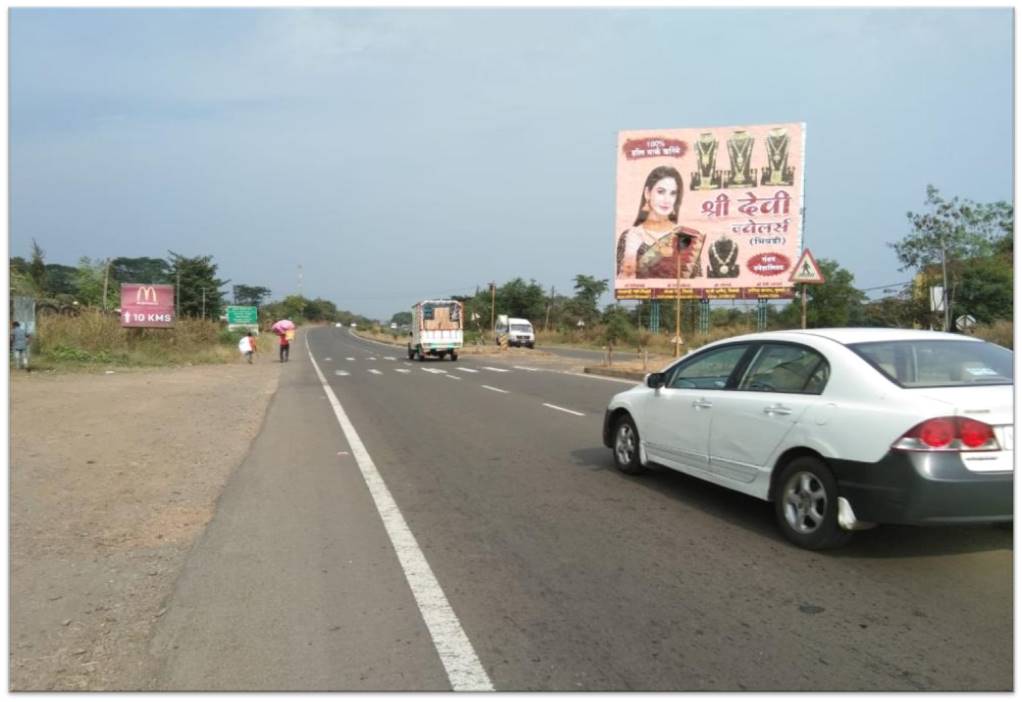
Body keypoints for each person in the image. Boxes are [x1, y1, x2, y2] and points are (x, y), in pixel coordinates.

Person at [616, 166, 705, 279]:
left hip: (682, 297)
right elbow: (623, 284)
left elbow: (698, 284)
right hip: (642, 296)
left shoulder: (689, 237)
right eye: (661, 192)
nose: (666, 199)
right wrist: (631, 251)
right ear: (648, 193)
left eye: (673, 193)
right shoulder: (629, 237)